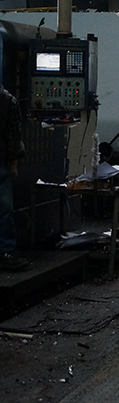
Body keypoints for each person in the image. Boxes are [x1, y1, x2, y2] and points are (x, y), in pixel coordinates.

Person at [0, 84, 28, 271]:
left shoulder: (6, 101)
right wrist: (13, 163)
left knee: (4, 209)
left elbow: (13, 136)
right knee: (4, 209)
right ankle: (5, 252)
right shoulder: (6, 100)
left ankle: (5, 251)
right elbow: (13, 136)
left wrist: (13, 163)